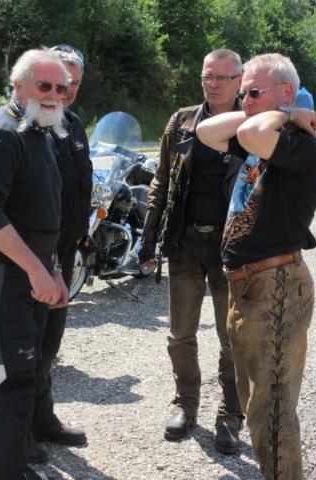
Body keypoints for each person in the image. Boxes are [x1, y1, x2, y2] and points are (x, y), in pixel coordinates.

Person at [196, 53, 316, 479]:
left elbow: (250, 130)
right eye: (243, 94)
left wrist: (288, 114)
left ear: (286, 92)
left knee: (271, 414)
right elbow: (205, 130)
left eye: (253, 92)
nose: (245, 102)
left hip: (276, 287)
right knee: (257, 404)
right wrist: (276, 110)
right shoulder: (262, 139)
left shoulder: (301, 149)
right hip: (249, 287)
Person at [0, 48, 70, 480]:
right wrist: (35, 270)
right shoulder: (2, 134)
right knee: (8, 385)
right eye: (44, 85)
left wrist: (54, 270)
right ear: (18, 85)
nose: (54, 95)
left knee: (25, 377)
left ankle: (14, 467)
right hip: (2, 279)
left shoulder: (39, 130)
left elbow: (44, 213)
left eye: (61, 87)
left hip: (33, 276)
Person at [139, 49, 244, 453]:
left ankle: (230, 414)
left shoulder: (251, 125)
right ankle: (185, 403)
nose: (212, 84)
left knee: (232, 337)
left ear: (239, 80)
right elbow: (161, 180)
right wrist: (149, 236)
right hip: (184, 242)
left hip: (231, 249)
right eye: (207, 76)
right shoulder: (182, 121)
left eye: (221, 77)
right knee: (180, 333)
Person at [30, 43, 91, 455]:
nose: (65, 90)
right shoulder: (30, 125)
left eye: (74, 83)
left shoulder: (73, 124)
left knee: (49, 343)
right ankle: (18, 433)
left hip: (64, 253)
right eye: (59, 80)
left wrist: (83, 234)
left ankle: (43, 419)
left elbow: (77, 185)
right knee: (26, 346)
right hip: (33, 256)